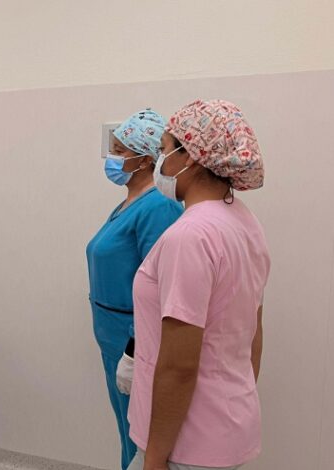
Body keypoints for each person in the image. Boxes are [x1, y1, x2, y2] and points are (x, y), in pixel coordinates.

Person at [127, 100, 270, 470]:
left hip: (186, 446)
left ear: (190, 156)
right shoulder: (244, 222)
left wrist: (154, 459)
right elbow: (252, 336)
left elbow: (179, 365)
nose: (160, 161)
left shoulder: (190, 237)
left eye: (164, 149)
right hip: (226, 428)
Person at [86, 109, 183, 469]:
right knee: (127, 435)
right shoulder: (130, 203)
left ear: (144, 160)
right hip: (113, 339)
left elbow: (161, 287)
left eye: (120, 151)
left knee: (141, 441)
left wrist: (134, 349)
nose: (112, 159)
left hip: (134, 344)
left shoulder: (158, 208)